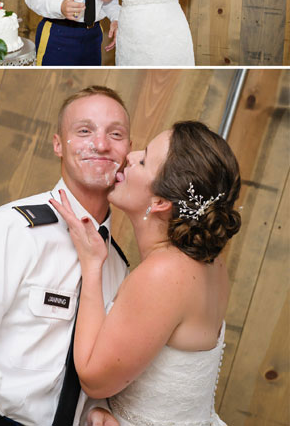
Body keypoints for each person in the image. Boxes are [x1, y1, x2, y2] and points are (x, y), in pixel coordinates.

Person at [0, 86, 131, 426]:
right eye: (84, 131)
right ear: (58, 144)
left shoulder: (117, 265)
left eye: (116, 134)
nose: (100, 144)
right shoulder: (7, 230)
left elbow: (96, 361)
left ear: (128, 150)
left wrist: (98, 408)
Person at [50, 121, 239, 426]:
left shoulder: (164, 274)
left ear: (161, 202)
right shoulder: (210, 263)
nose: (130, 155)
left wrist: (92, 266)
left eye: (143, 159)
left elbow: (94, 379)